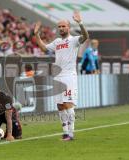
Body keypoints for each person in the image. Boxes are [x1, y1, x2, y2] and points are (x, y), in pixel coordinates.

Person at [34, 11, 89, 141]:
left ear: (68, 27)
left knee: (68, 104)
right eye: (59, 26)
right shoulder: (57, 42)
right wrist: (36, 35)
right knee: (60, 105)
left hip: (69, 76)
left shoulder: (74, 40)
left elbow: (85, 36)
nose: (61, 28)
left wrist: (80, 23)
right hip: (58, 76)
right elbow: (43, 48)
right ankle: (65, 133)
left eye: (63, 26)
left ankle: (71, 133)